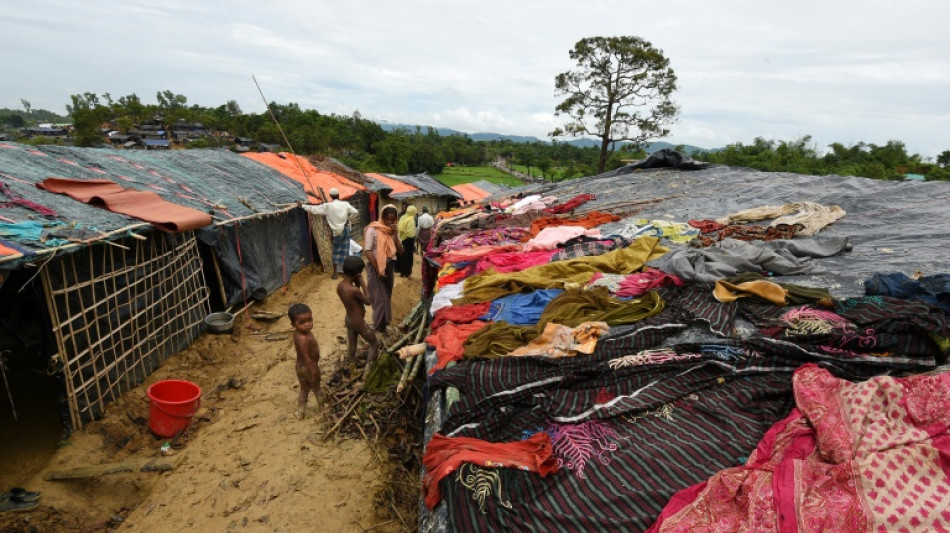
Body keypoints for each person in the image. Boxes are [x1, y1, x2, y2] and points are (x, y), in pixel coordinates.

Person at [336, 256, 380, 374]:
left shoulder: (340, 286)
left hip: (349, 320)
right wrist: (363, 283)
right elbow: (368, 301)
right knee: (374, 343)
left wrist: (357, 283)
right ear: (357, 274)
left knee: (352, 346)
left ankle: (352, 368)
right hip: (358, 322)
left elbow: (354, 301)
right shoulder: (353, 290)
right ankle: (367, 371)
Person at [303, 187, 358, 280]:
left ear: (330, 196)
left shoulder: (328, 206)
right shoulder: (345, 204)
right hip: (345, 229)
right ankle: (345, 273)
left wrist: (302, 206)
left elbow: (314, 209)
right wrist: (348, 220)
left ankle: (335, 273)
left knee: (336, 251)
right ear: (338, 195)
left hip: (336, 232)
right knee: (345, 251)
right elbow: (355, 212)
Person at [363, 205, 403, 333]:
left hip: (389, 266)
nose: (390, 222)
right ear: (382, 218)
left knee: (387, 296)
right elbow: (368, 251)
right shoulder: (373, 229)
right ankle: (377, 325)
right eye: (388, 219)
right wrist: (378, 270)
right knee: (379, 298)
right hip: (376, 266)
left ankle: (383, 325)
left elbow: (401, 251)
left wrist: (395, 235)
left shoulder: (393, 232)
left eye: (393, 219)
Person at [288, 303, 322, 419]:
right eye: (302, 323)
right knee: (317, 388)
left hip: (300, 367)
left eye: (309, 320)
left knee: (304, 389)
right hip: (308, 367)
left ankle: (300, 411)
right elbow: (307, 357)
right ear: (293, 324)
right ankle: (323, 407)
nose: (307, 324)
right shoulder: (303, 338)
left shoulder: (300, 333)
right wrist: (314, 371)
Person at [397, 205, 417, 277]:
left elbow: (400, 228)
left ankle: (402, 273)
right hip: (408, 240)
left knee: (402, 256)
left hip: (401, 239)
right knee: (408, 257)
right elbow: (410, 234)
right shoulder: (411, 219)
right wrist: (413, 246)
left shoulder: (403, 217)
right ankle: (407, 273)